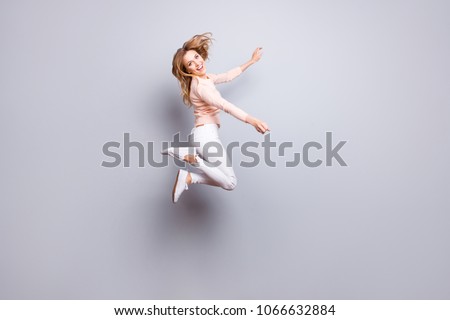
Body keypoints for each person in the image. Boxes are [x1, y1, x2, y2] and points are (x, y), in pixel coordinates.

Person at [163, 32, 270, 203]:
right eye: (190, 63)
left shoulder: (206, 79)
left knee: (226, 180)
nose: (197, 63)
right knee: (230, 182)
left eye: (197, 57)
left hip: (205, 135)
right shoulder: (201, 87)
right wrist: (252, 120)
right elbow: (224, 105)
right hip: (205, 136)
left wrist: (252, 61)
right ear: (187, 70)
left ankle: (190, 175)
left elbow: (227, 76)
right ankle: (192, 159)